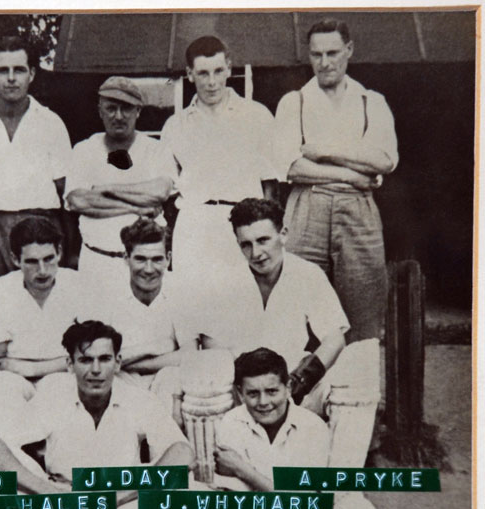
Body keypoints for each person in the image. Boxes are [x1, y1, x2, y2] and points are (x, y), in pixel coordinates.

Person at [0, 320, 194, 509]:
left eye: (105, 359)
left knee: (160, 484)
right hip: (63, 500)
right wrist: (53, 495)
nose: (96, 369)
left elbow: (183, 452)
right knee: (12, 479)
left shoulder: (138, 399)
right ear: (70, 364)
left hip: (120, 500)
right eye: (85, 360)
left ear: (118, 362)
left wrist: (114, 498)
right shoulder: (52, 398)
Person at [203, 198, 378, 468]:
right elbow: (211, 342)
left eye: (263, 240)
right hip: (242, 391)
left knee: (360, 362)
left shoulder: (307, 274)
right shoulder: (224, 280)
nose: (256, 253)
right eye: (246, 244)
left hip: (296, 387)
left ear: (283, 234)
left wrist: (299, 380)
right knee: (207, 374)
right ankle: (215, 477)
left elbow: (335, 338)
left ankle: (340, 483)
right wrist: (245, 382)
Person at [206, 347, 377, 509]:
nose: (263, 402)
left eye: (272, 391)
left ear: (287, 387)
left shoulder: (312, 427)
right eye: (253, 393)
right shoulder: (231, 423)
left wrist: (244, 470)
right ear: (240, 393)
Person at [273, 18, 398, 346]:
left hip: (358, 210)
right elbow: (291, 167)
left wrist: (325, 150)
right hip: (307, 206)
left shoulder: (371, 101)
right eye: (316, 55)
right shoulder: (294, 102)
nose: (324, 62)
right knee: (297, 304)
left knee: (363, 308)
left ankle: (359, 379)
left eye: (332, 53)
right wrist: (351, 173)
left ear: (349, 50)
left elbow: (384, 160)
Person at [160, 35, 277, 284]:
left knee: (243, 298)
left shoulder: (256, 115)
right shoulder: (175, 125)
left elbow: (270, 184)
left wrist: (262, 231)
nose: (212, 82)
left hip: (243, 225)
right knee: (191, 299)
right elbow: (167, 188)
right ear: (190, 74)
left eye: (218, 71)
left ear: (229, 69)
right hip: (193, 224)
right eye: (203, 73)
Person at [0, 35, 72, 280]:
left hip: (42, 227)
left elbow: (65, 190)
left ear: (31, 74)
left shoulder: (51, 122)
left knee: (42, 296)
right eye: (3, 70)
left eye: (19, 70)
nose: (11, 78)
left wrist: (71, 248)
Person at [65, 76, 176, 291]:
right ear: (100, 111)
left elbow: (160, 192)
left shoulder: (156, 150)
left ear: (138, 111)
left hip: (145, 265)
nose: (118, 116)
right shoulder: (84, 150)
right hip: (97, 260)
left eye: (126, 108)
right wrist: (137, 208)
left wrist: (106, 188)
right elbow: (79, 201)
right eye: (111, 108)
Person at [0, 217, 88, 400]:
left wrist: (33, 368)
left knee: (61, 390)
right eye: (32, 262)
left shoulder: (79, 285)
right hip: (14, 377)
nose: (42, 270)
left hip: (63, 375)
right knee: (4, 388)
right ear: (15, 259)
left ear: (59, 253)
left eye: (49, 259)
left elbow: (90, 352)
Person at [90, 217, 195, 390]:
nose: (148, 269)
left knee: (172, 377)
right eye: (140, 259)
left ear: (168, 259)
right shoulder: (108, 294)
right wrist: (160, 347)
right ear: (126, 258)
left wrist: (130, 362)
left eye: (157, 259)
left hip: (165, 381)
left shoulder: (180, 290)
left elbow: (189, 355)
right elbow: (99, 356)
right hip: (121, 381)